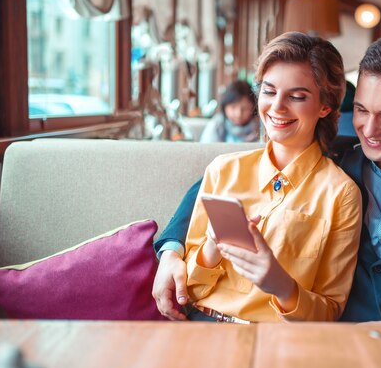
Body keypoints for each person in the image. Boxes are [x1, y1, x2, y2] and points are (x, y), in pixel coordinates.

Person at [153, 35, 381, 324]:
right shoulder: (335, 155)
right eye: (361, 110)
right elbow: (220, 185)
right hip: (342, 338)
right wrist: (170, 249)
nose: (370, 129)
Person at [154, 31, 362, 322]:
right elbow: (187, 290)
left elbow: (329, 311)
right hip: (199, 325)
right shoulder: (223, 170)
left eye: (297, 96)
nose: (277, 107)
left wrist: (282, 286)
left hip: (274, 339)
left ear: (325, 106)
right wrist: (211, 250)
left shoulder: (341, 194)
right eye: (269, 91)